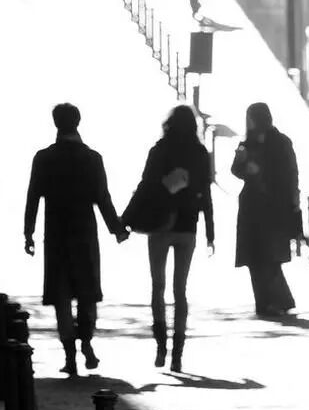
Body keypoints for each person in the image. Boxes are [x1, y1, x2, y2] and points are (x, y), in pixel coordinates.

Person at [24, 103, 129, 375]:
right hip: (84, 234)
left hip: (56, 234)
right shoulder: (92, 158)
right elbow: (102, 198)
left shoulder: (44, 158)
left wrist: (28, 232)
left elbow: (33, 196)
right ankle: (87, 342)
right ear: (78, 123)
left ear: (55, 124)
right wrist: (117, 229)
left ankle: (69, 354)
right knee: (86, 292)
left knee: (61, 296)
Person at [122, 105, 214, 373]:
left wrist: (125, 219)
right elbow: (206, 193)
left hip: (160, 224)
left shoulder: (159, 150)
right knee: (180, 290)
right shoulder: (200, 153)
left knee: (158, 286)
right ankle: (178, 353)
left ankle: (161, 345)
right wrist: (210, 232)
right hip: (188, 226)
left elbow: (145, 186)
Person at [231, 103, 300, 317]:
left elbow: (290, 173)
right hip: (251, 207)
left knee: (271, 256)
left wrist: (293, 201)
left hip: (274, 206)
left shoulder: (280, 142)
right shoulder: (247, 143)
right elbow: (236, 170)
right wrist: (243, 164)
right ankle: (264, 303)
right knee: (254, 257)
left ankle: (279, 301)